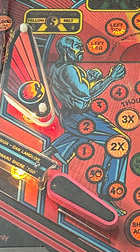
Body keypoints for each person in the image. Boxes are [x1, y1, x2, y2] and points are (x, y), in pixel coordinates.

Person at [46, 36, 127, 204]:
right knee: (119, 141)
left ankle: (48, 154)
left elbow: (70, 87)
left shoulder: (56, 67)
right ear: (67, 50)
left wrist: (87, 78)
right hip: (79, 116)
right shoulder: (70, 69)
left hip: (68, 114)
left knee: (81, 135)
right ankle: (107, 195)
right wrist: (111, 77)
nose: (82, 50)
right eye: (78, 47)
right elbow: (86, 94)